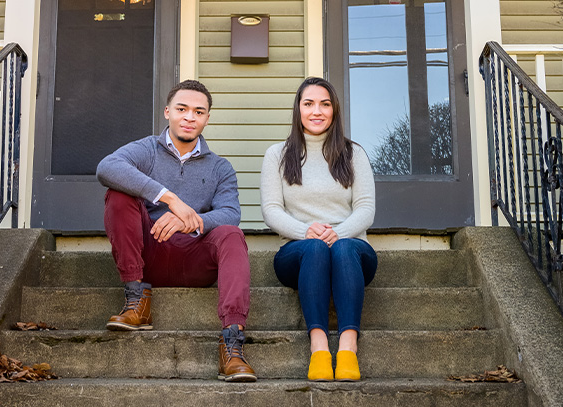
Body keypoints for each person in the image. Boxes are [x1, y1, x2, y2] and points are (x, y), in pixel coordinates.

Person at [96, 79, 256, 382]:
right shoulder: (147, 150)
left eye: (199, 111)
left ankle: (232, 344)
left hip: (196, 260)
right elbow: (107, 168)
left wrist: (189, 219)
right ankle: (136, 301)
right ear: (168, 112)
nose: (189, 117)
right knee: (118, 194)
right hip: (150, 253)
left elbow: (231, 213)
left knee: (232, 235)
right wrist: (169, 198)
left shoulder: (220, 168)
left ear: (207, 118)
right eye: (182, 109)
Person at [260, 77, 377, 382]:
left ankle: (348, 348)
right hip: (298, 252)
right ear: (298, 109)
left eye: (325, 104)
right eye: (308, 103)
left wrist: (338, 233)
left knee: (342, 247)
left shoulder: (354, 154)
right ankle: (320, 349)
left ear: (334, 111)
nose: (317, 111)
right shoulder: (277, 155)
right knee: (314, 247)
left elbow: (365, 208)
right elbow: (271, 210)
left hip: (350, 250)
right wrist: (305, 231)